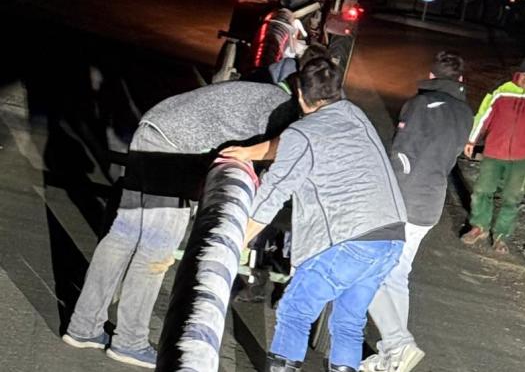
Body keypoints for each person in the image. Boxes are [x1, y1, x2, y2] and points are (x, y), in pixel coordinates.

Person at [61, 82, 295, 368]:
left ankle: (83, 327)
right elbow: (277, 156)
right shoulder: (289, 118)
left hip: (152, 129)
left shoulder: (275, 98)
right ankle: (128, 341)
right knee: (155, 252)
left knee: (123, 235)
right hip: (173, 149)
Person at [225, 58, 406, 372]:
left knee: (295, 310)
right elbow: (297, 142)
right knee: (348, 324)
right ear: (337, 90)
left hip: (350, 241)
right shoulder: (353, 114)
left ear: (298, 93)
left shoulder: (303, 133)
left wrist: (234, 245)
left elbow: (272, 195)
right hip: (390, 238)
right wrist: (249, 151)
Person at [359, 52, 474, 372]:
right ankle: (390, 358)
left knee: (368, 273)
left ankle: (398, 345)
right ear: (461, 81)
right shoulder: (466, 114)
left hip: (403, 198)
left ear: (431, 75)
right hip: (431, 203)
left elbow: (401, 155)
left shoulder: (419, 105)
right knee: (397, 275)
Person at [460, 55, 525, 254]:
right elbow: (483, 115)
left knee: (512, 198)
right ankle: (479, 227)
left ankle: (501, 236)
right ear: (517, 74)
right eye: (524, 75)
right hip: (494, 151)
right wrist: (472, 139)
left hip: (522, 158)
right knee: (481, 191)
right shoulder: (501, 91)